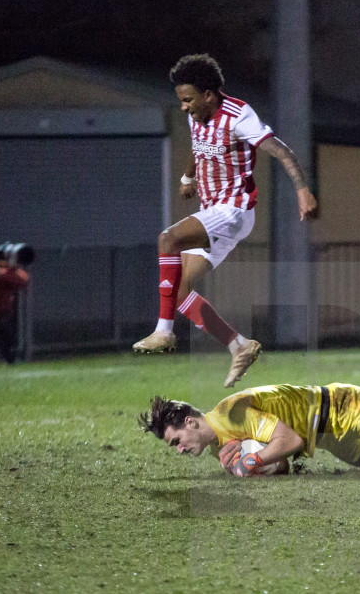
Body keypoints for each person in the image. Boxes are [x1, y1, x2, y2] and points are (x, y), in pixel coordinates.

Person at [132, 53, 320, 387]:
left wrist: (303, 190)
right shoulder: (197, 114)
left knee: (167, 239)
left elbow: (283, 151)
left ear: (208, 94)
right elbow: (198, 145)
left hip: (233, 210)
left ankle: (163, 332)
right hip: (212, 210)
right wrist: (188, 177)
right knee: (177, 290)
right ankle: (240, 346)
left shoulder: (239, 116)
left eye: (188, 100)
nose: (183, 107)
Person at [139, 370, 360, 474]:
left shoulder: (232, 414)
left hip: (343, 407)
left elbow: (290, 441)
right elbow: (280, 460)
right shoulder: (221, 443)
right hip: (325, 436)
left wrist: (252, 461)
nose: (180, 449)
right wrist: (265, 466)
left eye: (176, 441)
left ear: (190, 422)